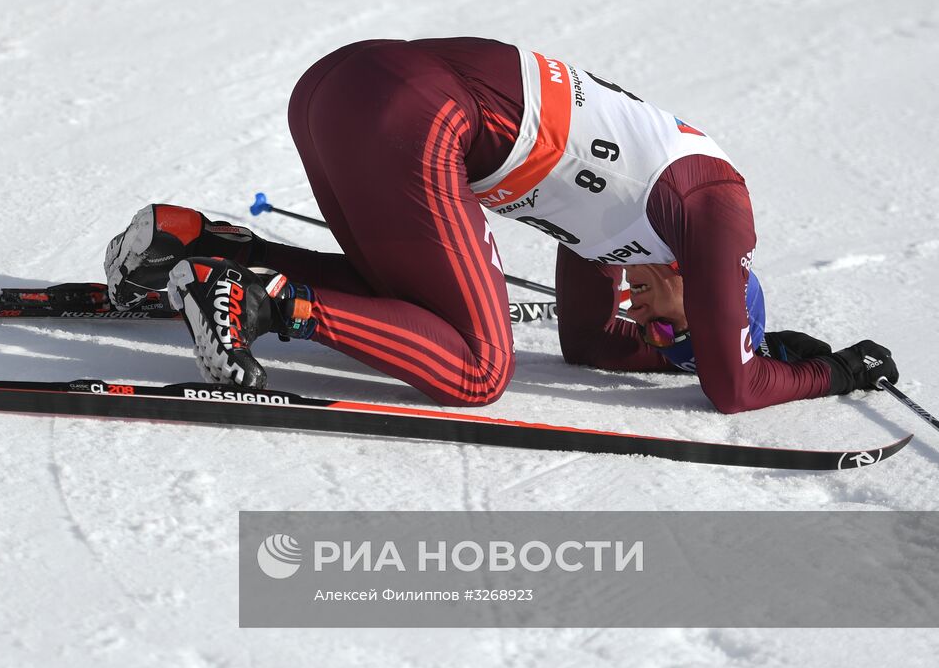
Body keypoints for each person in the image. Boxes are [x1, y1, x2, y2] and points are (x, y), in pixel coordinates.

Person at [105, 37, 897, 413]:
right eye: (671, 330)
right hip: (417, 111)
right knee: (480, 370)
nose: (645, 324)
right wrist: (838, 372)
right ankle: (259, 300)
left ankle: (196, 245)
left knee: (409, 303)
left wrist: (676, 360)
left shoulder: (620, 244)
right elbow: (732, 388)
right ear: (727, 295)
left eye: (657, 342)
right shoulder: (717, 215)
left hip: (342, 86)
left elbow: (587, 343)